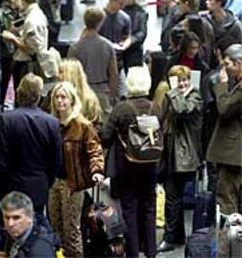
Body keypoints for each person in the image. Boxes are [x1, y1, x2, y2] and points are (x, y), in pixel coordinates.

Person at [103, 66, 159, 258]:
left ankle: (133, 252)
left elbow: (106, 136)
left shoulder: (122, 108)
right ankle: (151, 251)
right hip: (151, 164)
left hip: (127, 166)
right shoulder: (155, 107)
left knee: (130, 208)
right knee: (149, 207)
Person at [0, 73, 63, 214]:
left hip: (12, 185)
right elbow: (56, 161)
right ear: (39, 95)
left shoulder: (6, 119)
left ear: (19, 93)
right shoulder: (51, 122)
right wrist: (46, 181)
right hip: (39, 186)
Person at [48, 81, 105, 257]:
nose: (59, 101)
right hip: (53, 181)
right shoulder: (50, 123)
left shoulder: (82, 125)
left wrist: (96, 171)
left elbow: (95, 150)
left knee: (72, 229)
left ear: (72, 100)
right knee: (55, 227)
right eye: (56, 97)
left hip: (72, 184)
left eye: (63, 97)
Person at [157, 65, 203, 252]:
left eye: (185, 79)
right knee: (172, 198)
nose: (182, 84)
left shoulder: (195, 97)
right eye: (178, 80)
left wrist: (174, 91)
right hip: (172, 154)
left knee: (173, 199)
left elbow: (181, 110)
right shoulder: (172, 96)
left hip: (185, 157)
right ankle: (177, 236)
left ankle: (170, 238)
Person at [206, 44, 242, 258]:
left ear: (239, 64)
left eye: (227, 64)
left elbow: (225, 109)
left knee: (227, 204)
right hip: (235, 155)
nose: (224, 68)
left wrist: (221, 86)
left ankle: (228, 251)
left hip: (233, 156)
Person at [67, 7, 117, 123]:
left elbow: (70, 73)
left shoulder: (75, 47)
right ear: (100, 23)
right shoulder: (108, 46)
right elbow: (113, 74)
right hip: (102, 91)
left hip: (81, 92)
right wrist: (111, 95)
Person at [1, 0, 49, 93]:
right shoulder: (32, 14)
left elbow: (32, 50)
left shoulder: (33, 20)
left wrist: (13, 39)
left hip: (28, 66)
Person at [0, 192, 57, 258]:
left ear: (30, 217)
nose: (10, 224)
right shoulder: (17, 234)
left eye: (16, 218)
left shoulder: (39, 252)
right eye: (7, 217)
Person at [99, 0, 132, 98]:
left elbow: (127, 36)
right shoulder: (99, 16)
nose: (122, 7)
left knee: (123, 95)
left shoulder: (125, 18)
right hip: (101, 63)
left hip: (118, 62)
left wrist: (125, 44)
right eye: (120, 3)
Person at [0, 0, 22, 107]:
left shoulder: (20, 13)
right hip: (5, 54)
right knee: (3, 82)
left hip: (17, 52)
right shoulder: (1, 14)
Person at [205, 0, 242, 66]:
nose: (206, 2)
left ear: (219, 3)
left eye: (210, 0)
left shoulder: (235, 25)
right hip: (209, 63)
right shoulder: (206, 21)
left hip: (230, 65)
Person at [123, 0, 149, 70]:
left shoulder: (141, 12)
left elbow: (142, 33)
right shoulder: (117, 9)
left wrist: (130, 41)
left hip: (134, 53)